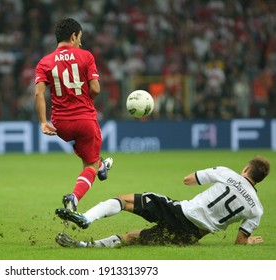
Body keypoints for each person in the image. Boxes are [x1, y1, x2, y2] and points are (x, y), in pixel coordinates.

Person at [55, 156, 270, 247]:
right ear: (259, 178)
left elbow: (188, 180)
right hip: (192, 235)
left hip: (181, 213)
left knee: (124, 201)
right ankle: (83, 246)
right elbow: (240, 241)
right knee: (132, 237)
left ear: (246, 169)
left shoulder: (226, 173)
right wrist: (248, 242)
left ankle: (86, 218)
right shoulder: (256, 209)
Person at [35, 18, 113, 211]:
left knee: (89, 156)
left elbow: (38, 93)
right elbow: (95, 89)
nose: (81, 42)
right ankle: (74, 198)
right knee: (89, 167)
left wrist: (43, 122)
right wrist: (84, 99)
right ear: (73, 36)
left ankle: (102, 167)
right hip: (85, 120)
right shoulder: (86, 56)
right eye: (80, 37)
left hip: (61, 124)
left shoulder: (45, 62)